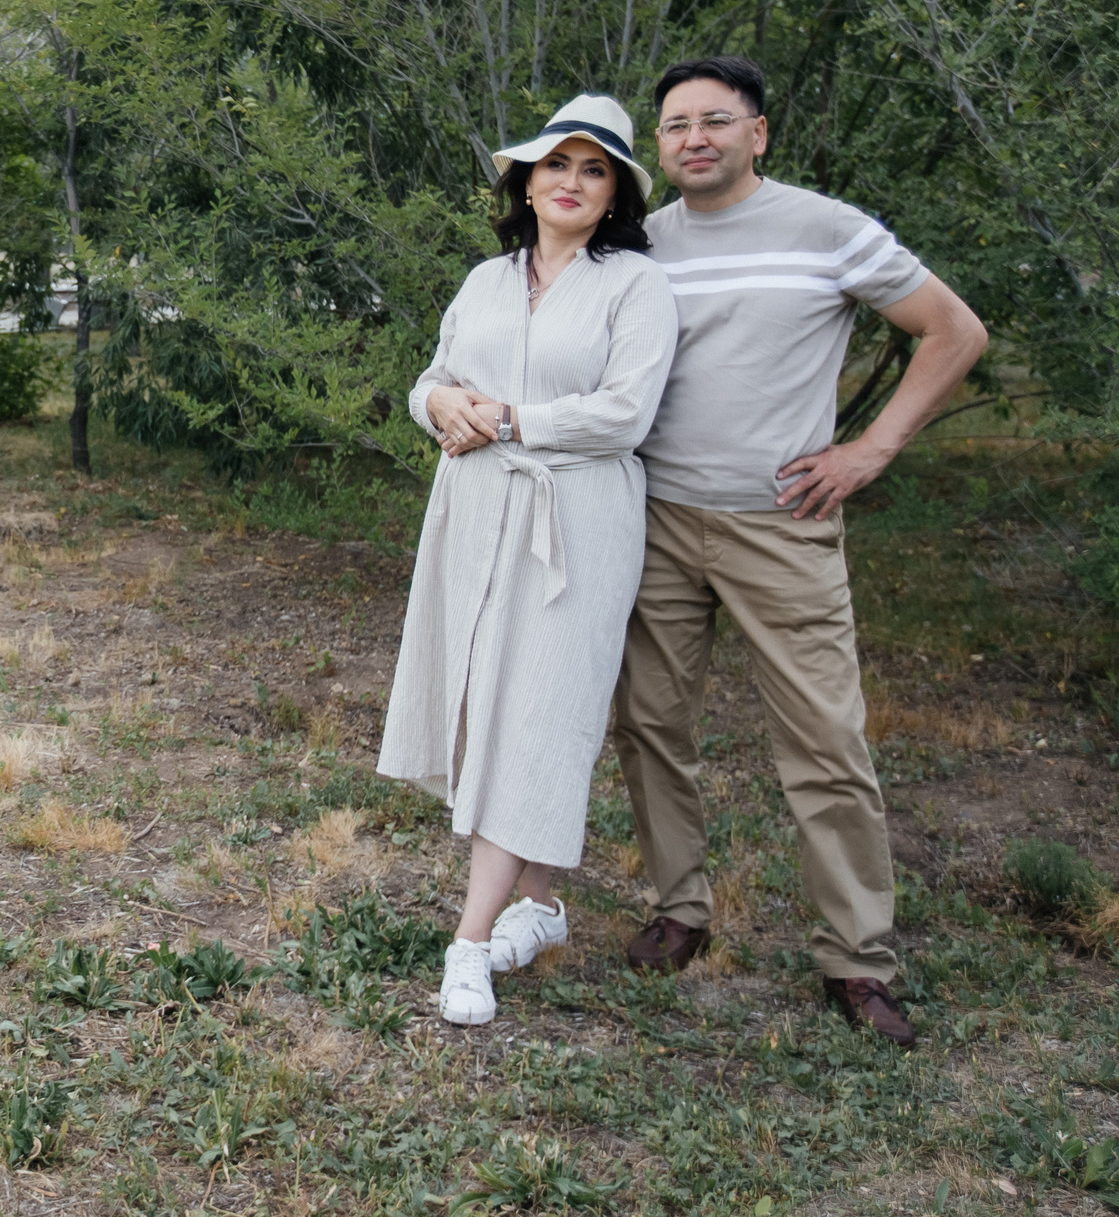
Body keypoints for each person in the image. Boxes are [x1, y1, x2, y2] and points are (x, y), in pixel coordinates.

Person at [612, 55, 988, 1050]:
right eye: (675, 125)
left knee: (825, 746)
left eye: (715, 121)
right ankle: (678, 910)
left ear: (758, 133)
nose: (694, 138)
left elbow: (952, 330)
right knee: (650, 726)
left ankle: (856, 963)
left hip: (780, 527)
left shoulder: (824, 229)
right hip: (651, 522)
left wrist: (873, 448)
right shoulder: (639, 245)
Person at [381, 93, 679, 1027]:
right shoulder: (485, 277)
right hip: (472, 509)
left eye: (595, 171)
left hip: (575, 519)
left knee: (544, 707)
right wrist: (441, 408)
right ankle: (541, 904)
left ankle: (468, 943)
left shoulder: (637, 287)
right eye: (558, 164)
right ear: (527, 177)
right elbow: (431, 376)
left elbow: (626, 413)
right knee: (489, 700)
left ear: (616, 194)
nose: (573, 182)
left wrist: (509, 416)